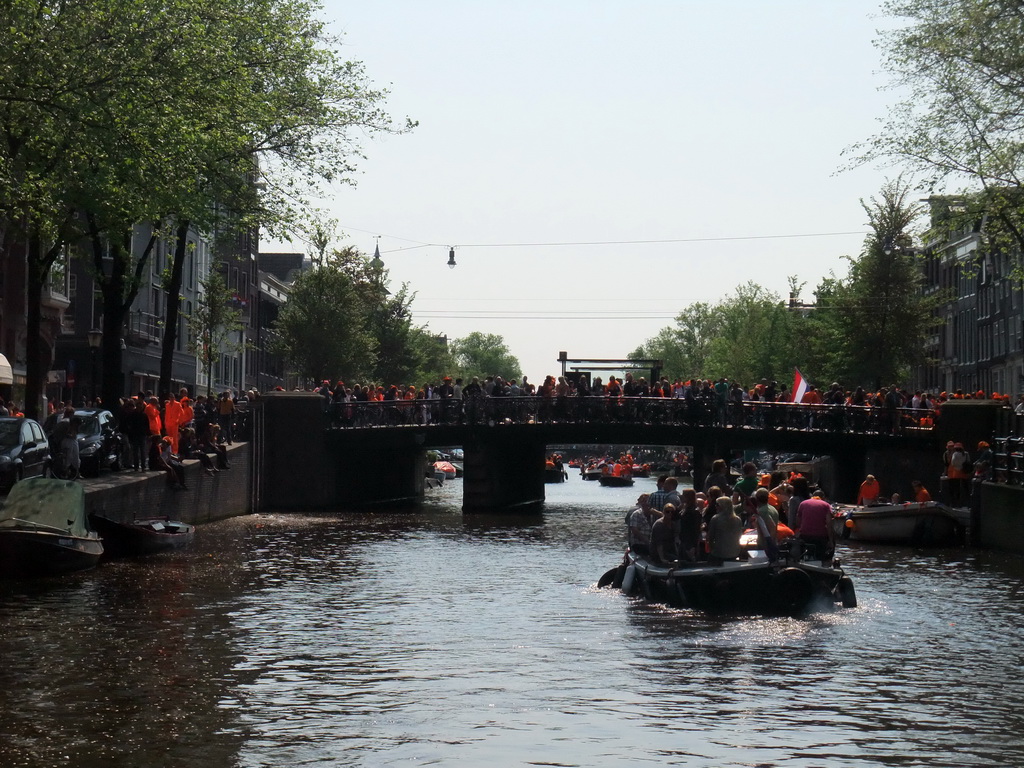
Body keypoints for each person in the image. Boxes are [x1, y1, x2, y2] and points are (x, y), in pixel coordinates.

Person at [794, 491, 834, 563]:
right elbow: (829, 524)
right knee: (830, 544)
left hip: (805, 536)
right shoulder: (826, 505)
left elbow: (797, 522)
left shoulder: (803, 503)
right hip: (820, 537)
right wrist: (831, 541)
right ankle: (827, 562)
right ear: (823, 498)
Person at [707, 496, 744, 564]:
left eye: (717, 504)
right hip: (734, 552)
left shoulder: (715, 519)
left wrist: (712, 550)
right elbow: (739, 536)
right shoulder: (738, 519)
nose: (715, 506)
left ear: (722, 506)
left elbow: (710, 537)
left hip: (720, 553)